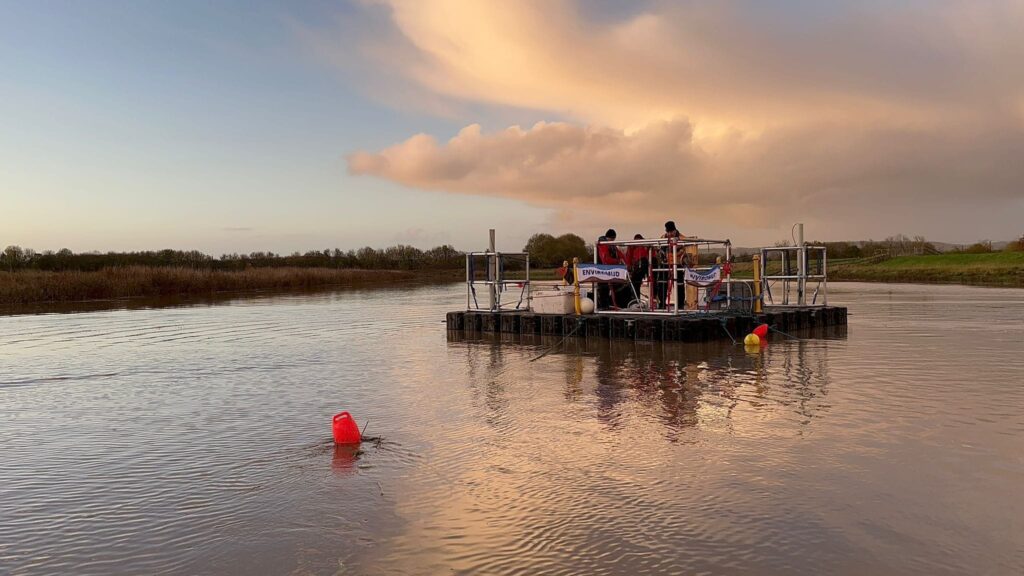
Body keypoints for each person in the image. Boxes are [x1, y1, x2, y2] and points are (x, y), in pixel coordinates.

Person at [596, 229, 623, 309]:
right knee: (603, 288)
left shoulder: (611, 246)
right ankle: (604, 306)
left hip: (608, 270)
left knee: (608, 289)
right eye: (613, 239)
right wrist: (618, 261)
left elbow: (620, 254)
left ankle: (608, 305)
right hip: (602, 270)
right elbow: (606, 259)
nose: (613, 241)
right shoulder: (603, 245)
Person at [625, 234, 649, 307]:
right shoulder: (644, 245)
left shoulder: (635, 246)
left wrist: (629, 268)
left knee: (635, 284)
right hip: (641, 266)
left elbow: (628, 257)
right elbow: (629, 257)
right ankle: (636, 300)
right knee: (635, 284)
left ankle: (635, 300)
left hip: (639, 265)